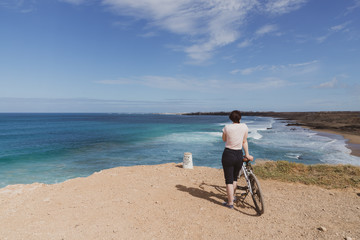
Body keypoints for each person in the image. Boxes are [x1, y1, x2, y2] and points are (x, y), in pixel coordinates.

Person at [221, 110, 253, 209]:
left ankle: (230, 203)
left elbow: (224, 139)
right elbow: (244, 141)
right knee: (235, 178)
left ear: (231, 118)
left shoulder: (227, 127)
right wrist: (247, 154)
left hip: (228, 154)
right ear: (240, 118)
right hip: (239, 154)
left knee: (229, 180)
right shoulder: (244, 127)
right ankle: (233, 197)